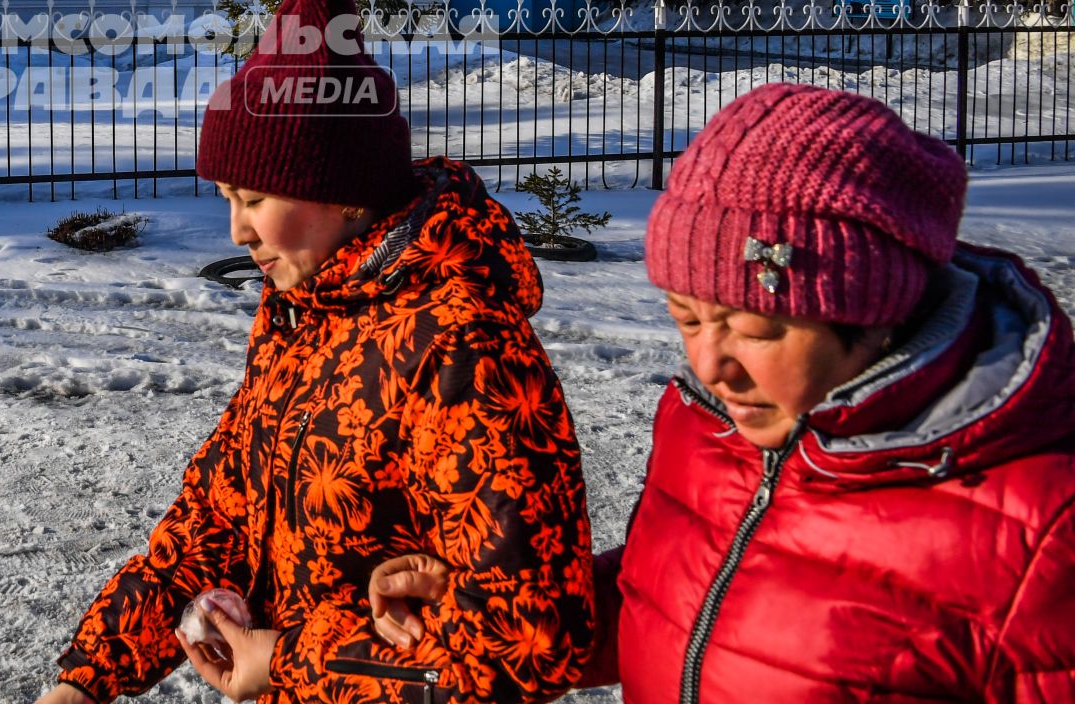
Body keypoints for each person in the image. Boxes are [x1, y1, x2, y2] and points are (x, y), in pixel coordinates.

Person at [367, 83, 1075, 701]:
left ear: (873, 309)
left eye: (755, 331)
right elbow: (675, 602)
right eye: (685, 319)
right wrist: (484, 611)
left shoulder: (1041, 533)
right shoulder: (706, 427)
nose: (709, 366)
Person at [33, 0, 596, 704]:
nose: (237, 232)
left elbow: (530, 640)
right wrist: (85, 679)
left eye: (255, 200)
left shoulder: (463, 347)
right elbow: (220, 512)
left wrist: (293, 660)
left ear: (344, 192)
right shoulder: (300, 314)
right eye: (229, 201)